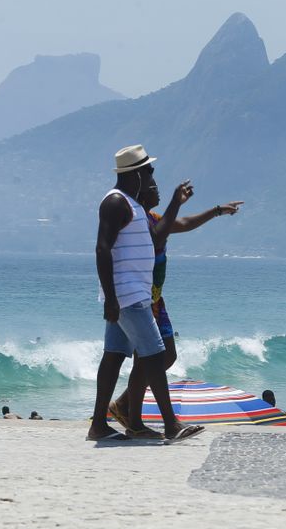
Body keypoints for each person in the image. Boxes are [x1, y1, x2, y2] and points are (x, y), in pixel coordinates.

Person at [108, 171, 243, 430]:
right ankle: (133, 417)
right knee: (153, 357)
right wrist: (176, 201)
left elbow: (184, 223)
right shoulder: (138, 222)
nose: (157, 190)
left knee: (163, 356)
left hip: (156, 300)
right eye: (153, 186)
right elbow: (159, 235)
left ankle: (125, 407)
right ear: (141, 194)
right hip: (140, 299)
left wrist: (216, 211)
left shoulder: (155, 218)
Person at [86, 145, 202, 442]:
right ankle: (171, 424)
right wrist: (111, 298)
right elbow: (102, 249)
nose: (151, 175)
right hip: (127, 296)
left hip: (132, 294)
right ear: (134, 174)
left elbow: (156, 236)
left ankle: (99, 424)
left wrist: (176, 203)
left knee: (114, 357)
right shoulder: (115, 203)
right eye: (147, 170)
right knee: (155, 354)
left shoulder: (134, 206)